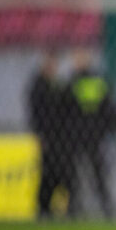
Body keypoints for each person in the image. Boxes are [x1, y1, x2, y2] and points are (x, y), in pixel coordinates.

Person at [66, 48, 113, 217]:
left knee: (98, 173)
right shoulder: (71, 81)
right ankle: (73, 207)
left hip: (94, 135)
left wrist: (103, 130)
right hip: (76, 136)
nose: (79, 60)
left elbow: (107, 108)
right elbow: (64, 109)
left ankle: (106, 207)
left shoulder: (96, 81)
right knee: (73, 174)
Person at [28, 51, 74, 217]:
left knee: (64, 174)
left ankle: (65, 208)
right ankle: (43, 208)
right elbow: (35, 114)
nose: (52, 67)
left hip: (60, 139)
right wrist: (40, 134)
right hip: (48, 138)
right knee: (48, 174)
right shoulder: (38, 86)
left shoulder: (57, 86)